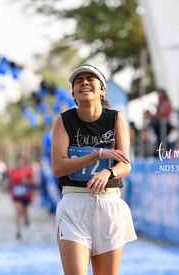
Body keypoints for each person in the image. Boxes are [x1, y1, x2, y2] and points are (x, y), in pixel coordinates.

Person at [51, 64, 137, 275]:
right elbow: (59, 167)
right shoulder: (63, 121)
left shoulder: (116, 119)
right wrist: (96, 154)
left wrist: (108, 172)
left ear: (102, 89)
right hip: (74, 206)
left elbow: (125, 164)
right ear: (73, 93)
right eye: (79, 81)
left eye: (91, 78)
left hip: (109, 206)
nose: (84, 82)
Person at [7, 154, 35, 239]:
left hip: (26, 194)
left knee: (24, 210)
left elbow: (32, 181)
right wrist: (9, 185)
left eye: (22, 162)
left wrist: (26, 181)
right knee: (18, 211)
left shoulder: (28, 170)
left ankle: (26, 217)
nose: (20, 164)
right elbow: (9, 181)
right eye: (19, 162)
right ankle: (18, 231)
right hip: (16, 194)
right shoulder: (13, 171)